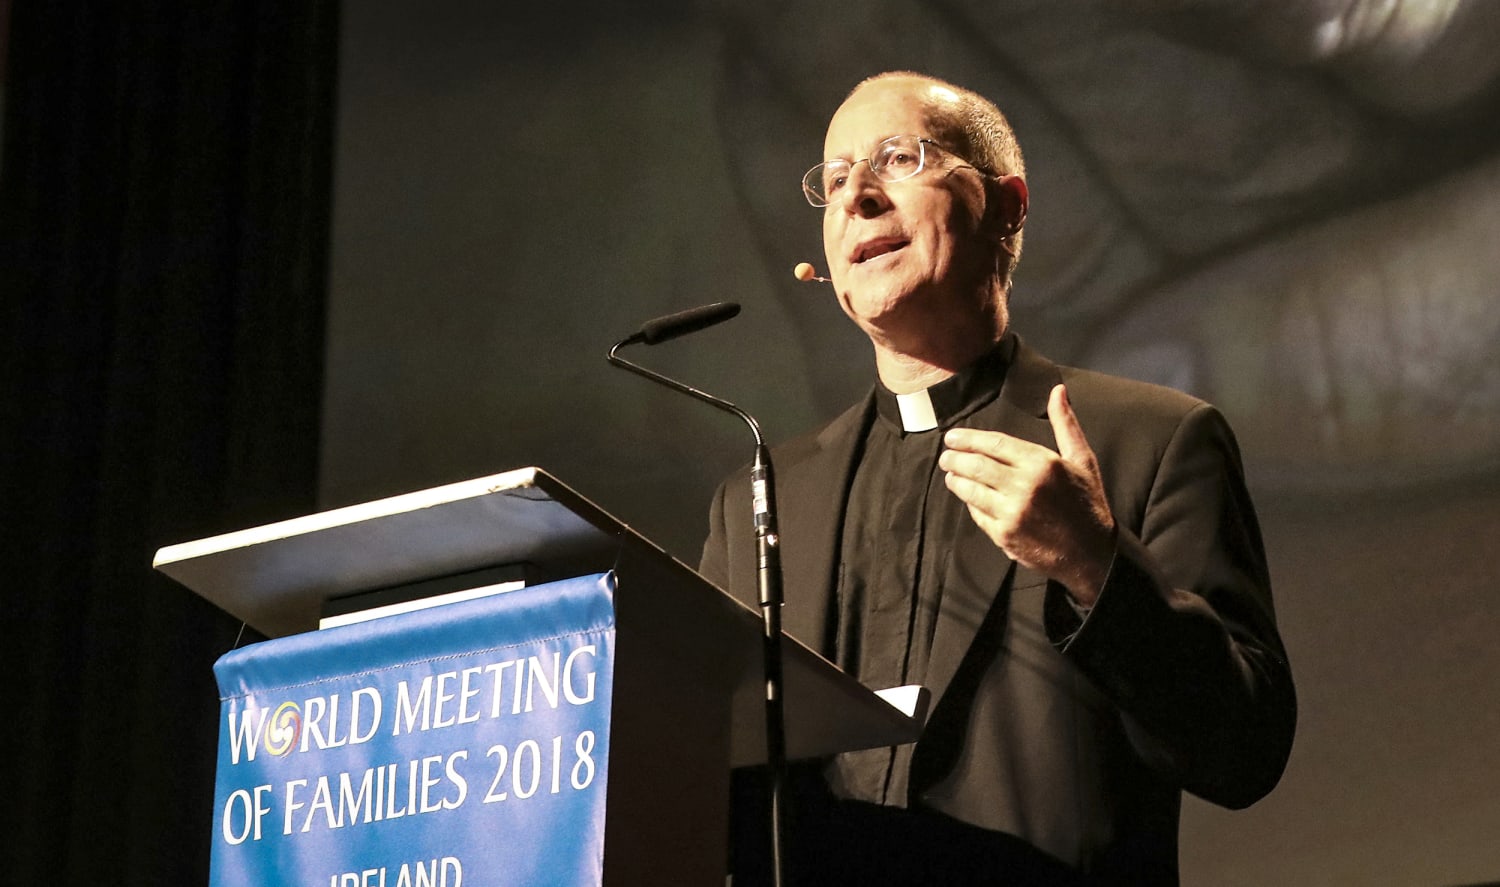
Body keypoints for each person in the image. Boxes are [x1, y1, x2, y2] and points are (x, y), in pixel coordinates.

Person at [698, 71, 1296, 886]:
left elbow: (1243, 750)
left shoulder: (1153, 441)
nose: (856, 197)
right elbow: (697, 775)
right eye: (835, 180)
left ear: (1006, 206)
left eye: (897, 159)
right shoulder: (758, 501)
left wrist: (1096, 565)